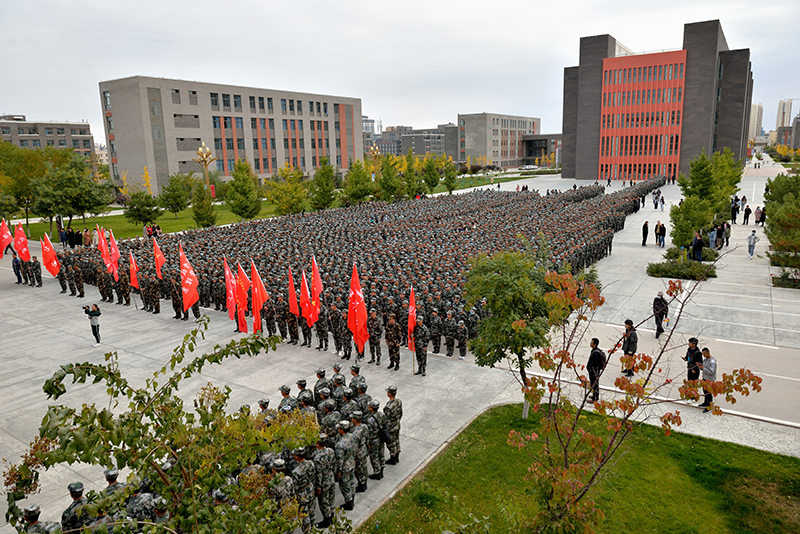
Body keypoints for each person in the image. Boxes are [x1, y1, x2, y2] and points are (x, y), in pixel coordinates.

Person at [384, 385, 403, 465]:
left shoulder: (388, 407)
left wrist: (386, 429)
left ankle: (393, 458)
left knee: (391, 443)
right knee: (397, 440)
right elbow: (401, 413)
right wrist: (397, 421)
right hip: (397, 424)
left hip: (391, 427)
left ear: (389, 393)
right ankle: (397, 456)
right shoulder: (398, 401)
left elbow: (387, 420)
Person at [698, 347, 717, 413]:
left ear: (708, 353)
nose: (703, 355)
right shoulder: (705, 359)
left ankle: (710, 406)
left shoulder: (712, 361)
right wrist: (700, 366)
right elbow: (703, 367)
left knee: (708, 393)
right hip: (705, 378)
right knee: (705, 391)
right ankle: (706, 402)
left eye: (704, 354)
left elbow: (711, 371)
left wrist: (703, 368)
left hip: (710, 379)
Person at [586, 338, 606, 403]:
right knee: (594, 384)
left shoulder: (595, 353)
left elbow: (594, 363)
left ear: (595, 344)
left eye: (592, 343)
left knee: (594, 384)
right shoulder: (596, 350)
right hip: (595, 371)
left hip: (594, 371)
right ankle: (595, 395)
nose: (590, 343)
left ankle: (595, 398)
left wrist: (590, 368)